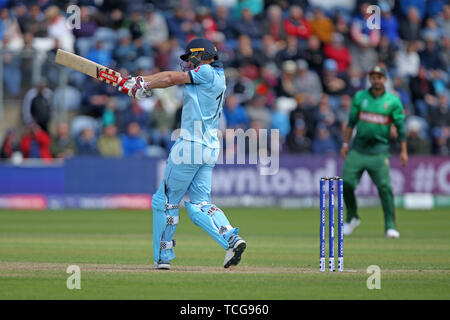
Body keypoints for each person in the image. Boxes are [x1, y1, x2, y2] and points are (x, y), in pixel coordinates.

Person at [111, 38, 246, 270]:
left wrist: (142, 82)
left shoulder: (205, 71)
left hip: (190, 145)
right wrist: (141, 85)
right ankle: (231, 238)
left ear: (201, 55)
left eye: (190, 58)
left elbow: (171, 78)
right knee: (200, 204)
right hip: (209, 147)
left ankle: (163, 257)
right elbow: (171, 81)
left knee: (164, 201)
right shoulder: (218, 76)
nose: (188, 63)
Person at [340, 66, 408, 239]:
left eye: (379, 77)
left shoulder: (393, 101)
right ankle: (352, 217)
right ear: (370, 79)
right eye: (373, 77)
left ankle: (390, 226)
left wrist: (403, 151)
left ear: (384, 79)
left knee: (385, 188)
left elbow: (400, 128)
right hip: (358, 149)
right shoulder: (360, 97)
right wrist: (346, 143)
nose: (376, 80)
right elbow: (351, 123)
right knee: (346, 183)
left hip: (379, 151)